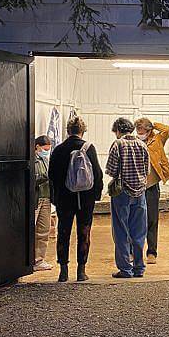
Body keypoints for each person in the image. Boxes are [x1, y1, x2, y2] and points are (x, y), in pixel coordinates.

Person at [48, 116, 103, 283]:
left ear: (67, 131)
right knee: (84, 232)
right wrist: (96, 195)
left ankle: (63, 271)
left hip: (64, 198)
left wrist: (55, 197)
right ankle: (81, 271)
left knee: (63, 233)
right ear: (83, 131)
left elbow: (52, 175)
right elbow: (98, 174)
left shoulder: (59, 149)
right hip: (85, 198)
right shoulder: (89, 148)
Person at [106, 117, 149, 279]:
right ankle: (139, 268)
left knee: (121, 231)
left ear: (117, 130)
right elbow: (147, 170)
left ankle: (125, 269)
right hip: (140, 193)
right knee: (139, 232)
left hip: (122, 193)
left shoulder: (118, 144)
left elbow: (111, 170)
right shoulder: (142, 145)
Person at [134, 118, 169, 264]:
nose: (140, 134)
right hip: (136, 185)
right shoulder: (135, 142)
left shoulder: (157, 139)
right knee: (136, 220)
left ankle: (152, 252)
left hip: (152, 185)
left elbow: (167, 130)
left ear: (149, 131)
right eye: (138, 131)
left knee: (152, 219)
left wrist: (153, 124)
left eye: (143, 131)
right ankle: (134, 251)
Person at [34, 135, 53, 271]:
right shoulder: (32, 160)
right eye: (45, 149)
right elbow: (33, 178)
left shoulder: (45, 159)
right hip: (35, 198)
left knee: (43, 230)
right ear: (37, 147)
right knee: (31, 229)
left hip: (46, 197)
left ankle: (39, 259)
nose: (46, 151)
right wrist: (46, 177)